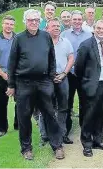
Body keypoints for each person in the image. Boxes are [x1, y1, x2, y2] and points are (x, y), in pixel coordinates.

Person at [7, 9, 64, 160]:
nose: (34, 22)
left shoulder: (46, 36)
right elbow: (11, 63)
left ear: (40, 21)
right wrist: (11, 85)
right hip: (24, 83)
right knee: (24, 117)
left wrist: (51, 77)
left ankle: (57, 146)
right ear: (25, 21)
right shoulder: (18, 39)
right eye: (31, 20)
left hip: (44, 81)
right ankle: (26, 148)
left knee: (50, 115)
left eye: (36, 20)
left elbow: (52, 58)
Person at [75, 20, 103, 157]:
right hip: (91, 86)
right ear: (94, 28)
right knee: (89, 115)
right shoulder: (85, 45)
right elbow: (78, 68)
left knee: (102, 114)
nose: (101, 31)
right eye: (99, 28)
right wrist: (85, 84)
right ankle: (87, 144)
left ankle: (99, 140)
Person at [61, 10, 92, 133]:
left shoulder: (89, 34)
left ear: (82, 20)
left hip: (84, 74)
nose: (77, 22)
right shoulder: (64, 34)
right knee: (67, 102)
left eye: (79, 19)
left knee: (84, 102)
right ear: (71, 20)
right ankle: (66, 130)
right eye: (75, 19)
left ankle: (84, 127)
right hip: (69, 74)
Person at [46, 18, 75, 144]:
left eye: (58, 26)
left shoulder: (66, 42)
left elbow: (71, 58)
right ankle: (47, 136)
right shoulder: (43, 42)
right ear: (47, 28)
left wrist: (64, 73)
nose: (57, 28)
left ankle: (63, 134)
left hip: (63, 78)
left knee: (63, 108)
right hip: (47, 79)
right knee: (48, 108)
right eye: (54, 26)